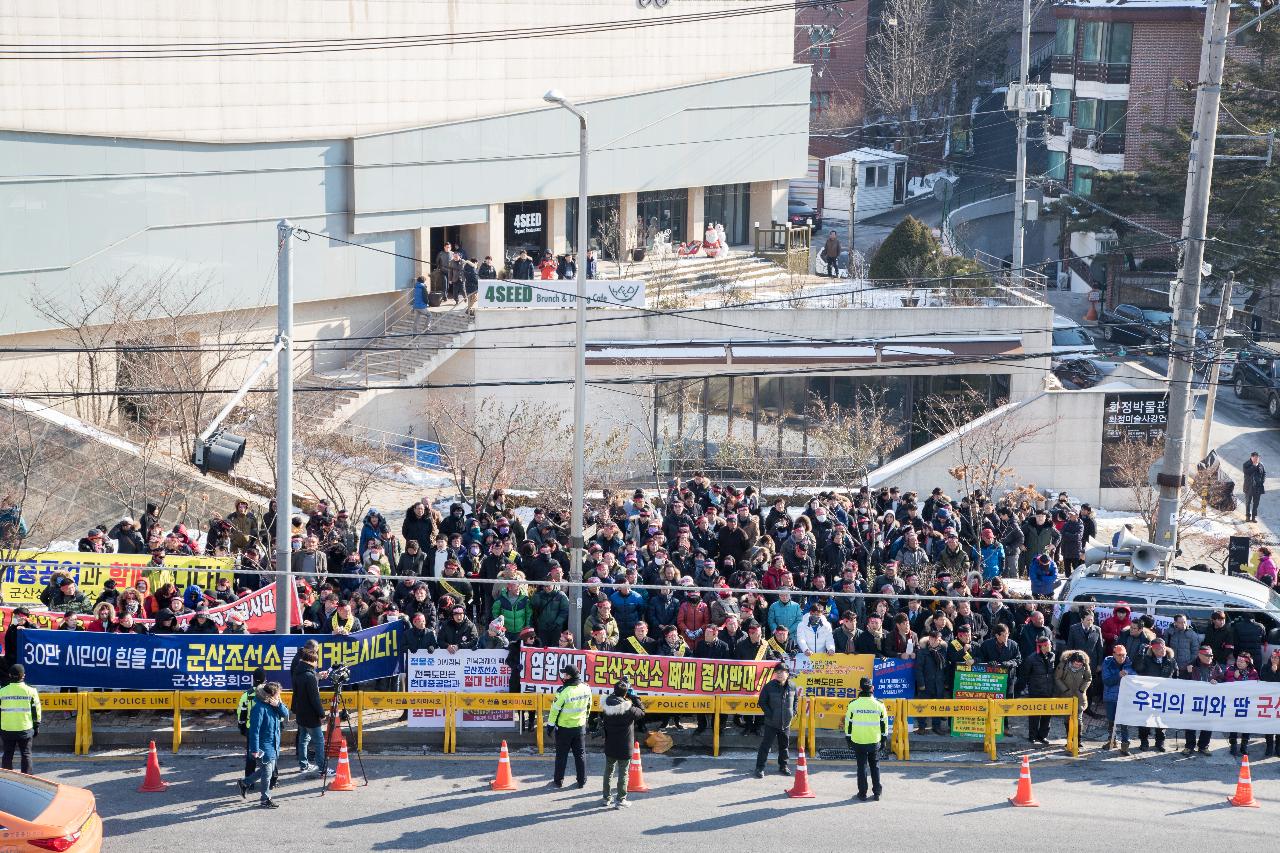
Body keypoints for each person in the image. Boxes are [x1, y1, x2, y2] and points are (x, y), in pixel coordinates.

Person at [238, 681, 289, 808]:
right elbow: (254, 731)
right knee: (267, 772)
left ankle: (245, 783)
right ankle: (265, 799)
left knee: (269, 770)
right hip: (263, 745)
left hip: (273, 742)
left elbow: (286, 714)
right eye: (278, 694)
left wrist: (278, 705)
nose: (279, 696)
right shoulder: (259, 708)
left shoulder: (274, 704)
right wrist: (254, 749)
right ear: (271, 695)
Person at [599, 678, 645, 809]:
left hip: (610, 744)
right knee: (623, 773)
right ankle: (620, 799)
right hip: (625, 746)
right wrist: (634, 696)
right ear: (625, 694)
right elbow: (642, 712)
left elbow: (612, 698)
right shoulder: (629, 708)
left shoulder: (606, 705)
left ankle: (606, 798)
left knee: (608, 771)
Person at [844, 676, 888, 801]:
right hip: (874, 741)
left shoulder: (853, 704)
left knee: (861, 767)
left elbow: (848, 724)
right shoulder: (879, 705)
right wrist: (884, 739)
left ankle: (862, 793)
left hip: (858, 741)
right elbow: (884, 724)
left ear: (859, 688)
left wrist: (848, 739)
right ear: (872, 688)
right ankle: (877, 793)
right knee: (875, 766)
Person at [547, 664, 591, 789]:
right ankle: (582, 781)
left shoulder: (563, 692)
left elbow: (554, 710)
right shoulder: (586, 688)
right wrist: (585, 720)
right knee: (580, 755)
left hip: (564, 729)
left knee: (561, 755)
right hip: (580, 727)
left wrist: (550, 726)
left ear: (570, 676)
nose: (563, 676)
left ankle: (558, 781)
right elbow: (588, 707)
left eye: (565, 674)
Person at [754, 662, 798, 779]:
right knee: (766, 746)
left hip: (786, 723)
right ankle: (760, 768)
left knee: (784, 746)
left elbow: (796, 700)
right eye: (777, 672)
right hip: (771, 723)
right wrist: (770, 714)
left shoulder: (793, 686)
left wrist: (793, 711)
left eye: (781, 672)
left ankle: (783, 766)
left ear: (787, 674)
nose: (779, 674)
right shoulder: (769, 686)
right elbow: (762, 702)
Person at [293, 645, 330, 777]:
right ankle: (322, 768)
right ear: (310, 661)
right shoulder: (309, 677)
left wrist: (318, 676)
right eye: (316, 661)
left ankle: (304, 765)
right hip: (311, 715)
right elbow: (315, 699)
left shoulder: (298, 672)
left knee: (303, 739)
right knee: (319, 741)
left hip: (301, 712)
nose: (317, 663)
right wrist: (321, 714)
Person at [1182, 645, 1223, 755]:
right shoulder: (1190, 666)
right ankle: (1189, 746)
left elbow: (1222, 679)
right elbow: (1180, 682)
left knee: (1207, 724)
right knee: (1191, 724)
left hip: (1209, 701)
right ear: (1199, 655)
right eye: (1207, 655)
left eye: (1211, 655)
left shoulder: (1216, 667)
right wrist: (1188, 673)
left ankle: (1203, 746)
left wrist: (1217, 681)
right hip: (1193, 700)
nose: (1210, 657)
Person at [0, 664, 40, 774]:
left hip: (7, 729)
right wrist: (36, 726)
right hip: (25, 729)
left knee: (7, 754)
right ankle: (27, 780)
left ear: (9, 675)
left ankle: (7, 780)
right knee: (26, 754)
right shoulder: (31, 691)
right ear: (23, 676)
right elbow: (36, 711)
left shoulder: (2, 691)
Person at [1102, 645, 1136, 755]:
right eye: (1119, 655)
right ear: (1113, 654)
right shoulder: (1107, 663)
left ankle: (1125, 746)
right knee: (1111, 721)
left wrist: (1128, 674)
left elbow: (1136, 677)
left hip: (1125, 698)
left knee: (1124, 723)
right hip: (1111, 697)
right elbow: (1107, 681)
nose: (1122, 657)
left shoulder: (1130, 664)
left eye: (1123, 655)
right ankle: (1112, 740)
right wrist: (1119, 675)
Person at [1243, 451, 1266, 522]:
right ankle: (1247, 516)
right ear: (1251, 457)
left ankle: (1254, 517)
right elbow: (1247, 472)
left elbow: (1264, 473)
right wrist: (1254, 466)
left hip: (1258, 488)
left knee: (1256, 503)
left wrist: (1262, 481)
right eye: (1255, 457)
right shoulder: (1246, 464)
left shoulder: (1261, 465)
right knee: (1248, 503)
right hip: (1249, 487)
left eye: (1258, 457)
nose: (1257, 459)